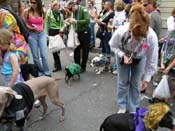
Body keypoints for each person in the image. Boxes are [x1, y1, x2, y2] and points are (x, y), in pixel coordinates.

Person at [109, 4, 158, 113]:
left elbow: (152, 61)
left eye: (141, 36)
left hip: (140, 58)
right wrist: (123, 55)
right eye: (135, 36)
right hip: (123, 55)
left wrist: (146, 78)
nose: (138, 40)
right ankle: (122, 105)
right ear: (130, 28)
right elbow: (112, 45)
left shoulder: (151, 37)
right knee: (123, 82)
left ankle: (133, 108)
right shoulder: (121, 31)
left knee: (136, 84)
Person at [24, 0, 51, 77]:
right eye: (30, 2)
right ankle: (40, 72)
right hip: (32, 35)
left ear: (38, 3)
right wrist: (32, 28)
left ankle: (47, 72)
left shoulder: (43, 11)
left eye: (33, 2)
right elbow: (25, 24)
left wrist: (44, 31)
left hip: (41, 34)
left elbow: (43, 22)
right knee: (35, 56)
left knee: (44, 55)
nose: (31, 4)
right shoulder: (27, 11)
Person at [0, 0, 28, 65]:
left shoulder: (4, 15)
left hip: (16, 43)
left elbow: (7, 34)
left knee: (18, 67)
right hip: (12, 43)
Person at [67, 1, 90, 73]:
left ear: (74, 6)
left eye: (71, 9)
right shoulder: (73, 12)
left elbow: (87, 20)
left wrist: (76, 21)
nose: (71, 11)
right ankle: (77, 65)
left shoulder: (83, 9)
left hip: (85, 32)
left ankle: (83, 67)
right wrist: (69, 22)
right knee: (76, 49)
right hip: (77, 33)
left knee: (85, 50)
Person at [44, 0, 65, 72]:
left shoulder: (60, 14)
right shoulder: (49, 13)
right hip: (52, 31)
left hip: (59, 32)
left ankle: (57, 63)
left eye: (58, 6)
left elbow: (62, 24)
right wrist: (46, 33)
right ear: (53, 6)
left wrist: (62, 29)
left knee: (58, 49)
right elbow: (46, 23)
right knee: (54, 49)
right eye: (56, 5)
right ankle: (57, 65)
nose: (58, 7)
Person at [108, 0, 126, 74]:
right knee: (115, 51)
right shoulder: (116, 13)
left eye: (115, 4)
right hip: (115, 34)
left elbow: (121, 27)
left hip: (119, 36)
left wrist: (112, 27)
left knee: (118, 51)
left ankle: (118, 68)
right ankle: (116, 67)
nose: (114, 5)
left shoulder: (122, 15)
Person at [96, 1, 114, 66]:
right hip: (101, 31)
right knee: (103, 47)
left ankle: (107, 63)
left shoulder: (111, 13)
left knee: (107, 47)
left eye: (106, 5)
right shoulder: (103, 11)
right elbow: (98, 19)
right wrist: (98, 21)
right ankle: (103, 62)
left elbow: (109, 24)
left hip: (107, 32)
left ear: (109, 6)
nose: (104, 6)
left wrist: (101, 22)